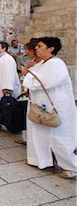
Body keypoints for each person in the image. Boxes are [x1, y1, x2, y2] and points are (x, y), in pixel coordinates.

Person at [21, 37, 77, 179]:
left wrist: (27, 75)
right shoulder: (42, 64)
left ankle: (71, 167)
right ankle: (43, 160)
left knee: (59, 137)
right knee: (42, 135)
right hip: (41, 107)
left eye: (40, 46)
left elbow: (44, 82)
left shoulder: (57, 64)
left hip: (56, 108)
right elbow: (34, 79)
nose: (36, 49)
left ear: (51, 48)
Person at [0, 41, 21, 129]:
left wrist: (7, 87)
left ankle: (1, 122)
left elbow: (9, 74)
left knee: (1, 106)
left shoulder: (7, 59)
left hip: (2, 88)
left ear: (4, 48)